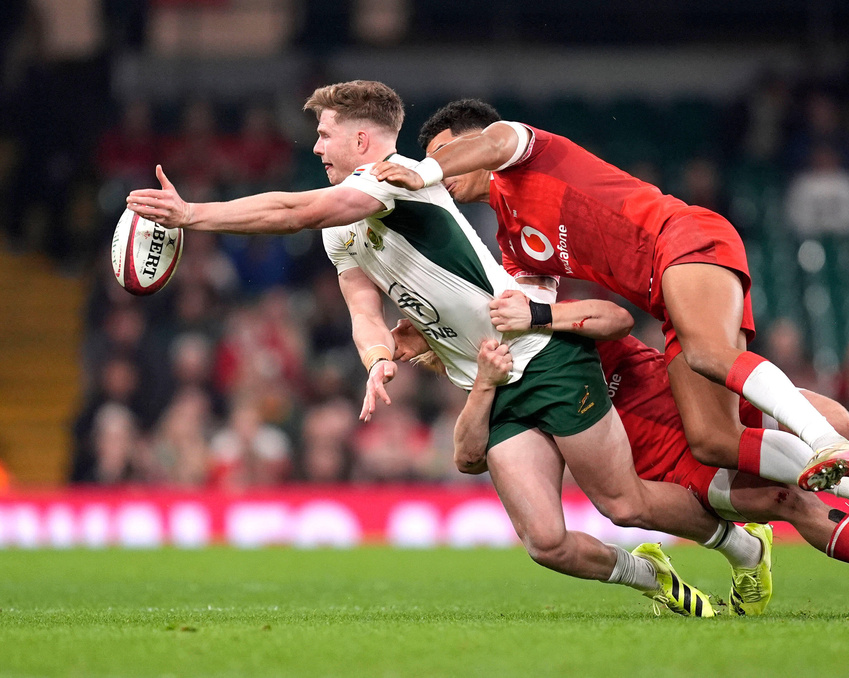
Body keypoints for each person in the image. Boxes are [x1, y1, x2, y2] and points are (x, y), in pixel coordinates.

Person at [126, 80, 769, 617]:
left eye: (324, 133)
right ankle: (654, 580)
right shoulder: (343, 231)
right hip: (486, 380)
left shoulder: (389, 182)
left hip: (541, 355)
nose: (315, 145)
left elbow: (295, 209)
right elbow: (361, 310)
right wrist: (378, 360)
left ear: (361, 139)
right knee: (546, 543)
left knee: (622, 503)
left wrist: (195, 216)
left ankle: (744, 550)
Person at [373, 99, 849, 550]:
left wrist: (424, 169)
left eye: (444, 154)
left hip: (679, 237)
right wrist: (425, 326)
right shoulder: (512, 246)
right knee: (713, 440)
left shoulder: (524, 152)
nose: (439, 171)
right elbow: (508, 316)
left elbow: (493, 142)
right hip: (661, 293)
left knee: (707, 355)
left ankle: (831, 444)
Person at [391, 299, 849, 608]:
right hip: (658, 457)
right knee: (787, 500)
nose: (401, 342)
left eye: (406, 329)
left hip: (683, 395)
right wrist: (486, 388)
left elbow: (615, 317)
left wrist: (543, 316)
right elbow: (467, 455)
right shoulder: (483, 382)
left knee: (817, 417)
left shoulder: (521, 316)